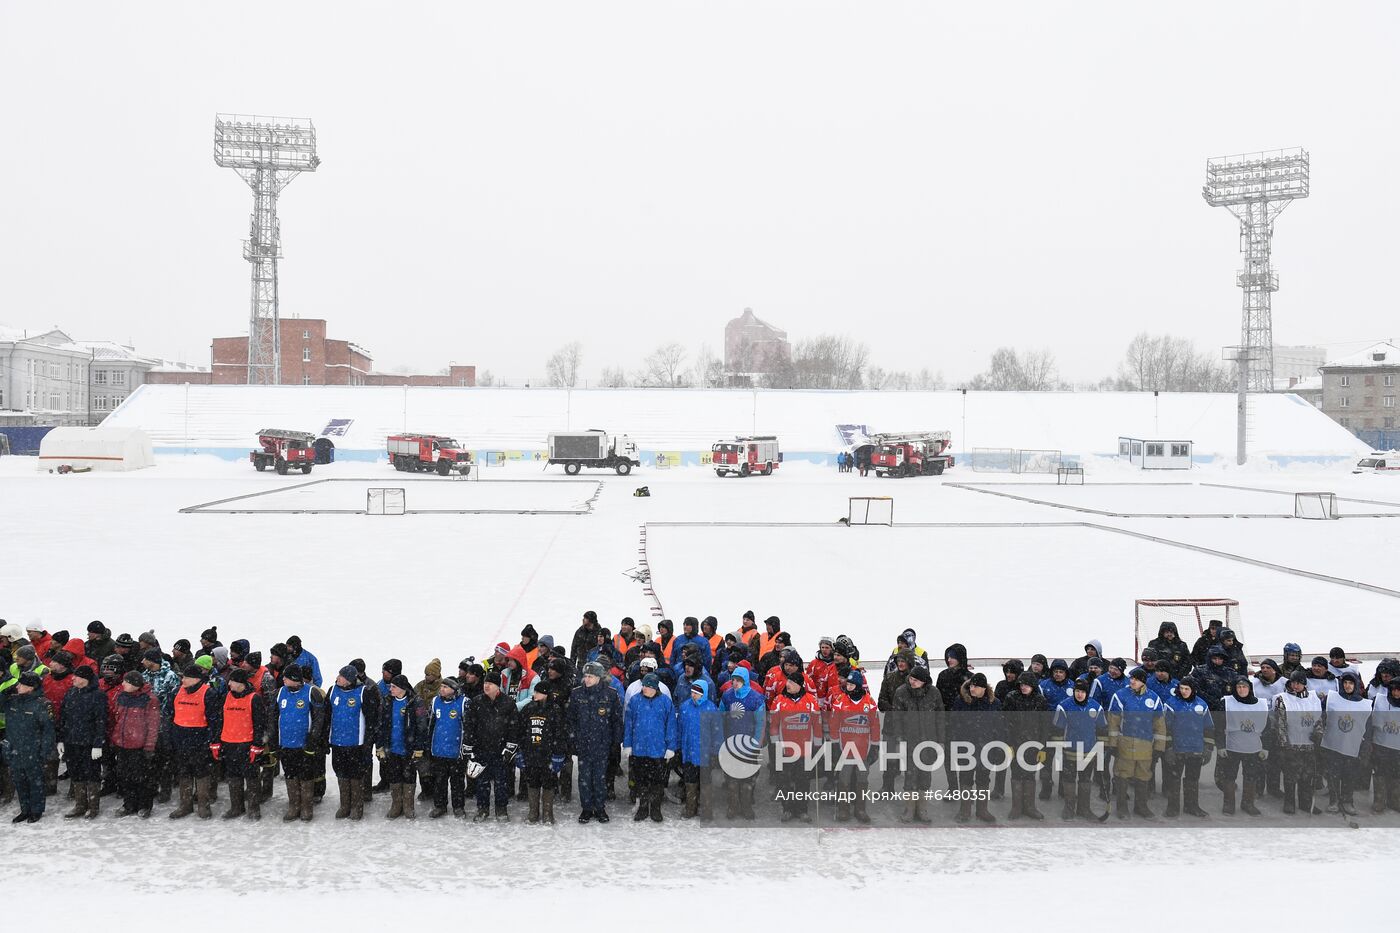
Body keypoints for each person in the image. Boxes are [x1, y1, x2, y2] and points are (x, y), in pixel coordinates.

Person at [269, 665, 329, 823]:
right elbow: (272, 720)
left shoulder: (312, 692)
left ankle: (306, 807)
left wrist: (312, 741)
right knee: (290, 775)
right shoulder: (279, 693)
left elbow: (319, 720)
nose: (283, 679)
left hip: (304, 746)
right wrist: (273, 742)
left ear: (295, 679)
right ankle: (294, 805)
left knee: (306, 775)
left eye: (286, 677)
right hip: (286, 744)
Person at [567, 660, 625, 824]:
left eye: (590, 676)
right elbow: (571, 719)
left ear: (599, 677)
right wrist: (573, 740)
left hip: (602, 744)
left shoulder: (611, 694)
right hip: (583, 744)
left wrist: (615, 743)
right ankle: (586, 808)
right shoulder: (576, 694)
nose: (587, 679)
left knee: (600, 778)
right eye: (585, 676)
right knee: (584, 778)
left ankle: (600, 807)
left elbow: (616, 721)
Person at [1106, 667, 1165, 820]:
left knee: (1143, 776)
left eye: (1136, 679)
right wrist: (1112, 743)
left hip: (1146, 745)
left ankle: (1141, 806)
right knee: (1122, 775)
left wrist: (1159, 747)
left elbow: (1159, 725)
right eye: (1131, 678)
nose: (1132, 681)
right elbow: (1113, 722)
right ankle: (1122, 807)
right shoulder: (1120, 696)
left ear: (1143, 682)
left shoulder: (1154, 698)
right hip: (1125, 743)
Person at [211, 668, 268, 821]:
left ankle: (254, 809)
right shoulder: (226, 697)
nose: (229, 683)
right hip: (228, 744)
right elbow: (219, 721)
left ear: (242, 683)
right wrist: (216, 741)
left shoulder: (254, 698)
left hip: (247, 745)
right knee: (233, 776)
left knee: (251, 777)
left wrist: (257, 745)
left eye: (232, 681)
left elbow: (259, 724)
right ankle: (236, 807)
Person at [327, 664, 380, 821]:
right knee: (341, 772)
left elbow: (371, 720)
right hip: (337, 742)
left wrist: (368, 743)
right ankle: (345, 805)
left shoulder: (364, 692)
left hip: (356, 743)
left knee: (355, 774)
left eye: (341, 676)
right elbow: (326, 716)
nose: (337, 678)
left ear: (349, 680)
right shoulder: (332, 691)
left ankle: (357, 806)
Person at [1, 672, 55, 823]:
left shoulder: (42, 704)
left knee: (35, 782)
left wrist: (44, 752)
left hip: (33, 750)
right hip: (14, 749)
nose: (17, 686)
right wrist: (5, 693)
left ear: (31, 687)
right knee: (19, 781)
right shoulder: (12, 701)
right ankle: (25, 810)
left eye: (21, 684)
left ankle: (36, 810)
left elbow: (48, 730)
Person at [168, 663, 220, 820]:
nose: (183, 680)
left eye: (186, 678)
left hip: (200, 740)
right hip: (180, 739)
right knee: (183, 772)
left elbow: (215, 720)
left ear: (197, 679)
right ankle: (185, 805)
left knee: (201, 773)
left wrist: (213, 741)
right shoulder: (176, 691)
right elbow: (170, 715)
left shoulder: (208, 693)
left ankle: (203, 805)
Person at [769, 669, 821, 823]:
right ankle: (787, 809)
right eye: (788, 681)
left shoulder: (811, 700)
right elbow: (773, 725)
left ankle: (802, 810)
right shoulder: (779, 700)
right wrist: (775, 743)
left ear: (800, 685)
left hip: (805, 750)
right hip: (785, 749)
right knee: (785, 781)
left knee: (803, 781)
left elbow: (816, 725)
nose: (788, 684)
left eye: (792, 682)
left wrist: (817, 744)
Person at [623, 672, 677, 822]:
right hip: (639, 750)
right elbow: (629, 724)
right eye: (644, 685)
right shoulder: (635, 701)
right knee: (641, 781)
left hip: (658, 751)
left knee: (657, 782)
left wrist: (671, 746)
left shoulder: (666, 702)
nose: (644, 688)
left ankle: (655, 808)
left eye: (647, 686)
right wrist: (627, 744)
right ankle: (642, 808)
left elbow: (671, 726)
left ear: (655, 687)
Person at [465, 675, 519, 822]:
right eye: (485, 683)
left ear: (498, 686)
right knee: (482, 782)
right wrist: (468, 746)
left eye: (490, 683)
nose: (486, 686)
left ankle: (501, 809)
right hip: (481, 749)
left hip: (500, 751)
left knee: (502, 782)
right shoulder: (476, 702)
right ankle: (482, 809)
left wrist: (510, 747)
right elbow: (469, 726)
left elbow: (514, 727)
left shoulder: (508, 703)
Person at [949, 672, 1001, 824]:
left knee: (983, 779)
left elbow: (1000, 727)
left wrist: (999, 747)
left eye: (976, 686)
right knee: (965, 779)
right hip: (966, 747)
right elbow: (954, 725)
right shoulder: (961, 702)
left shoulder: (994, 703)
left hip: (987, 748)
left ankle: (982, 810)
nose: (972, 688)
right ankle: (964, 810)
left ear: (984, 688)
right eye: (971, 685)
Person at [1270, 670, 1323, 815]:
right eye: (1293, 682)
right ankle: (1289, 802)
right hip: (1291, 745)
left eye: (1298, 683)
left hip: (1308, 745)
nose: (1295, 685)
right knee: (1290, 776)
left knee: (1307, 776)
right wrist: (1283, 744)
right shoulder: (1283, 699)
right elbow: (1280, 724)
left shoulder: (1314, 698)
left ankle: (1305, 802)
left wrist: (1318, 733)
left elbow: (1318, 719)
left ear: (1304, 684)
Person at [1052, 678, 1105, 821]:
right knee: (1069, 779)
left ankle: (1084, 808)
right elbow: (1057, 730)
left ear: (1087, 693)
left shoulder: (1096, 707)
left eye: (1082, 692)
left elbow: (1102, 729)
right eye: (1077, 691)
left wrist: (1102, 748)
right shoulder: (1064, 706)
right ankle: (1069, 808)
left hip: (1089, 750)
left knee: (1085, 780)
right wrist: (1058, 750)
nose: (1079, 694)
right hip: (1070, 750)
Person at [110, 670, 160, 817]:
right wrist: (115, 739)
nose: (123, 684)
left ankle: (145, 805)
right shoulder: (122, 697)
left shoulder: (150, 700)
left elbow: (153, 724)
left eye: (126, 681)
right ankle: (129, 804)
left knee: (142, 777)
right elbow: (116, 719)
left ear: (135, 684)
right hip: (123, 744)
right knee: (125, 776)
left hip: (139, 746)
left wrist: (149, 746)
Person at [1319, 672, 1369, 817]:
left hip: (1352, 746)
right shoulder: (1332, 699)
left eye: (1351, 683)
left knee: (1349, 775)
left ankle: (1348, 800)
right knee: (1333, 774)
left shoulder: (1365, 704)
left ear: (1356, 685)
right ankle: (1334, 800)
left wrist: (1365, 745)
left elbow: (1368, 727)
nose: (1347, 686)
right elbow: (1321, 716)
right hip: (1333, 744)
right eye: (1345, 683)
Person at [719, 666, 766, 820]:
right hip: (730, 743)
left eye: (738, 680)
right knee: (731, 779)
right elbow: (720, 719)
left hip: (748, 744)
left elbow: (760, 723)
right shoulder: (727, 696)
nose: (735, 683)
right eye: (733, 679)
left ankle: (746, 806)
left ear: (745, 681)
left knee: (747, 778)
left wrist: (757, 744)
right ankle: (733, 806)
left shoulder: (756, 698)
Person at [378, 674, 427, 820]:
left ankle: (408, 806)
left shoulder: (416, 702)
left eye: (393, 687)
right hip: (392, 748)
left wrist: (419, 747)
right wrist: (380, 745)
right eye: (390, 686)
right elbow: (381, 725)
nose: (390, 689)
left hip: (408, 749)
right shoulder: (387, 701)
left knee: (409, 777)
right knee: (394, 776)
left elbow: (422, 726)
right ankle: (396, 805)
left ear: (402, 689)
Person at [1161, 677, 1212, 818]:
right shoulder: (1171, 704)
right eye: (1181, 688)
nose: (1183, 691)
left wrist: (1208, 748)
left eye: (1187, 689)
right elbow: (1166, 728)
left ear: (1193, 690)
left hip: (1196, 749)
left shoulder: (1202, 705)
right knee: (1174, 779)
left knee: (1193, 779)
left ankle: (1191, 806)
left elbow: (1208, 728)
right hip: (1177, 749)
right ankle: (1172, 808)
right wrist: (1169, 748)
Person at [1217, 676, 1268, 816]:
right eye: (1238, 687)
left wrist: (1266, 748)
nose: (1241, 689)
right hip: (1232, 746)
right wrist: (1220, 745)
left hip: (1253, 747)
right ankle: (1229, 804)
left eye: (1244, 686)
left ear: (1250, 688)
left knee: (1251, 776)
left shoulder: (1261, 704)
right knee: (1229, 776)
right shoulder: (1227, 703)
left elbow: (1268, 728)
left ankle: (1248, 803)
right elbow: (1219, 725)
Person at [1001, 671, 1048, 821]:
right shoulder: (1011, 698)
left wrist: (1043, 747)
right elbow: (1005, 723)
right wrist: (1008, 744)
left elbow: (1044, 726)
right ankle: (1016, 807)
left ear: (1033, 685)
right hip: (1015, 743)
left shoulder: (1040, 701)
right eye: (1021, 684)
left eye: (1026, 685)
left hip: (1033, 745)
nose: (1023, 687)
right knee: (1016, 774)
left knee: (1029, 775)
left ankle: (1030, 807)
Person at [518, 679, 567, 824]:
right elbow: (520, 730)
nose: (535, 694)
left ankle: (548, 813)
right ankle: (533, 812)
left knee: (549, 783)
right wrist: (520, 751)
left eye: (538, 692)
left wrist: (558, 754)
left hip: (548, 755)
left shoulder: (555, 710)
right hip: (531, 754)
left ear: (545, 694)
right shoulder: (528, 708)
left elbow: (560, 733)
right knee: (532, 783)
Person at [676, 678, 722, 820]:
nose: (694, 695)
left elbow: (718, 733)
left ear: (704, 694)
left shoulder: (711, 709)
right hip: (689, 753)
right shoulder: (684, 707)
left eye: (697, 693)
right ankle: (690, 808)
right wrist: (678, 748)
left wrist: (715, 752)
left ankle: (707, 810)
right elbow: (679, 729)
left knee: (706, 782)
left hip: (705, 754)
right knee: (690, 781)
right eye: (692, 692)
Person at [426, 677, 468, 819]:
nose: (441, 689)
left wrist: (465, 748)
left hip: (456, 752)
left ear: (454, 689)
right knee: (439, 781)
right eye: (441, 686)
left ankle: (458, 807)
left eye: (445, 687)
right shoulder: (435, 702)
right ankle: (440, 806)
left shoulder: (463, 703)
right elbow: (430, 725)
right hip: (438, 750)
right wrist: (428, 746)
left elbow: (468, 728)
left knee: (457, 782)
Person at [1370, 679, 1400, 814]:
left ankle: (1395, 799)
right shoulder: (1381, 701)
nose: (1396, 693)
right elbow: (1375, 721)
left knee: (1396, 774)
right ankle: (1379, 800)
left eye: (1399, 690)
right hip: (1381, 744)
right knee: (1380, 772)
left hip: (1398, 746)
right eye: (1393, 689)